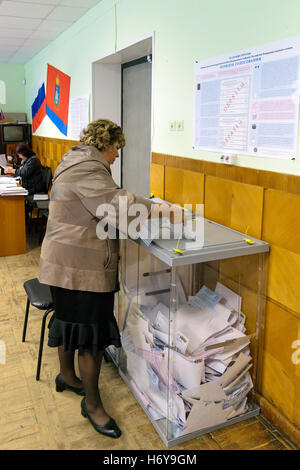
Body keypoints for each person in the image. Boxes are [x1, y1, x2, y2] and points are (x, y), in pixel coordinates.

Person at [38, 118, 183, 439]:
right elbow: (120, 204)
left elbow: (102, 205)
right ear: (105, 142)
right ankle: (93, 407)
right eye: (117, 148)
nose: (118, 155)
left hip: (61, 263)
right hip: (79, 269)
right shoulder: (90, 168)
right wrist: (166, 211)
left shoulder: (73, 159)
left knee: (68, 322)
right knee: (90, 337)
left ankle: (67, 377)